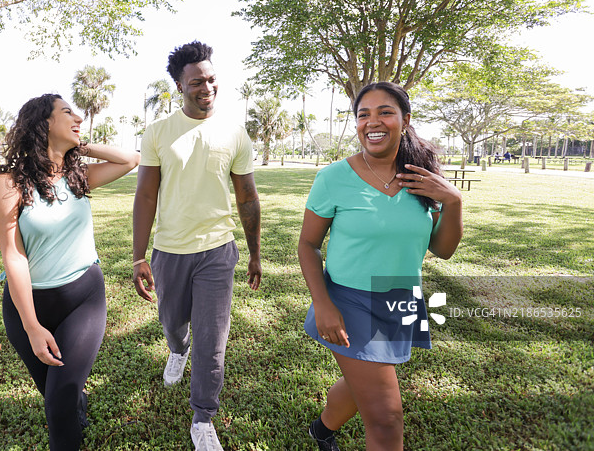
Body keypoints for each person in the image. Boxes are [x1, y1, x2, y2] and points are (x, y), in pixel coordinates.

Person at [298, 82, 463, 451]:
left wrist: (453, 201)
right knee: (386, 419)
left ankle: (322, 429)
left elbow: (443, 249)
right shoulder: (333, 178)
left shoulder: (423, 178)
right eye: (363, 115)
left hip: (401, 299)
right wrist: (323, 304)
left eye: (385, 112)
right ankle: (324, 430)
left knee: (364, 384)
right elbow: (308, 245)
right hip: (350, 301)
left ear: (405, 120)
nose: (372, 122)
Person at [0, 94, 139, 451]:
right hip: (28, 308)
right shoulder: (9, 184)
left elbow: (131, 159)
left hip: (83, 299)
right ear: (44, 124)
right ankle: (76, 404)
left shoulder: (78, 177)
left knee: (58, 403)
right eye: (67, 112)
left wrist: (79, 145)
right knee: (55, 393)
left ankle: (71, 409)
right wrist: (32, 326)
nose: (79, 118)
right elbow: (14, 257)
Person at [132, 41, 262, 451]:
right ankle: (177, 349)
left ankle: (203, 416)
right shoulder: (158, 132)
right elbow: (146, 196)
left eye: (211, 79)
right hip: (169, 250)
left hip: (217, 251)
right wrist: (138, 256)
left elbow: (247, 197)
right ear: (179, 86)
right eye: (196, 82)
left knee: (213, 339)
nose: (207, 87)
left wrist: (255, 253)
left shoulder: (234, 133)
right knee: (173, 322)